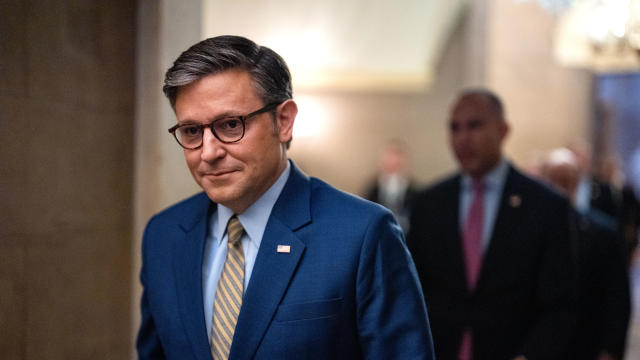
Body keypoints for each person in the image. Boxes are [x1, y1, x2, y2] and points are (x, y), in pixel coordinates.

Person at [136, 35, 434, 360]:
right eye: (192, 131)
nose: (208, 152)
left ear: (284, 121)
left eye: (231, 124)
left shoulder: (361, 234)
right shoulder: (163, 235)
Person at [407, 88, 575, 360]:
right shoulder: (429, 203)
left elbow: (560, 304)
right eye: (454, 128)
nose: (463, 138)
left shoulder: (545, 205)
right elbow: (415, 292)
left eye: (475, 125)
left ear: (504, 130)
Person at [542, 148, 630, 360]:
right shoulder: (530, 229)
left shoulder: (603, 232)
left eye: (566, 179)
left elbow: (617, 296)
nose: (560, 186)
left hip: (586, 343)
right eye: (555, 179)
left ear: (576, 182)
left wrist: (610, 348)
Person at [363, 140, 416, 233]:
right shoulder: (372, 190)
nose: (393, 172)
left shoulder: (415, 192)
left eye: (397, 166)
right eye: (390, 166)